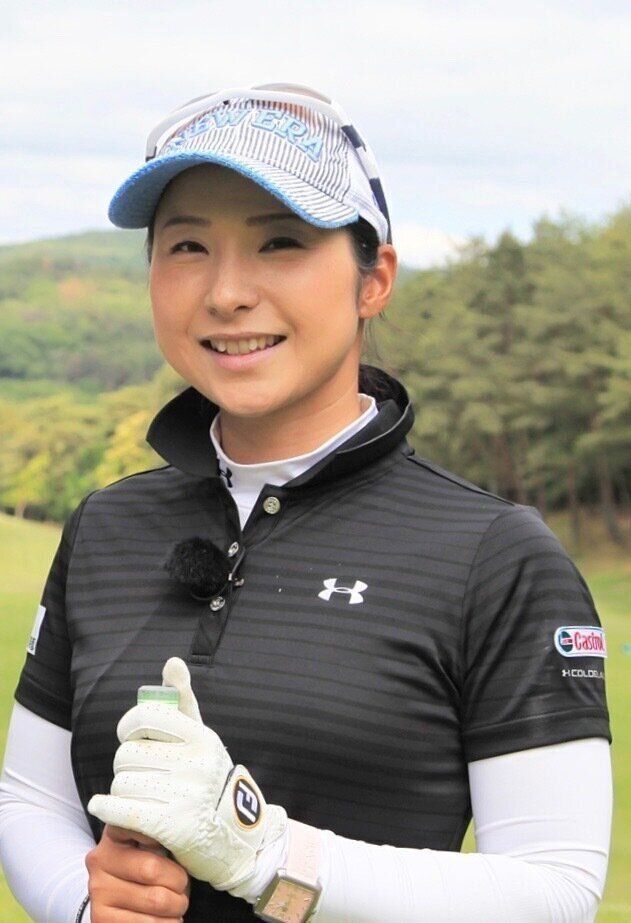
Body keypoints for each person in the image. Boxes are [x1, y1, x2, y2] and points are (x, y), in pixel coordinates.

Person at [0, 82, 612, 923]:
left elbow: (555, 890)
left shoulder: (494, 555)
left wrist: (267, 855)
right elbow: (29, 799)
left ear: (373, 279)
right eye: (187, 246)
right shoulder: (106, 525)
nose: (226, 293)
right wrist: (87, 901)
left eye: (280, 242)